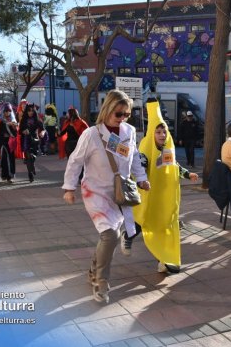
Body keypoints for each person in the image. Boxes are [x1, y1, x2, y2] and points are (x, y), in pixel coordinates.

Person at [62, 89, 150, 304]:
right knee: (110, 236)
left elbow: (135, 157)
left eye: (126, 114)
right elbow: (75, 161)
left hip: (119, 192)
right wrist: (69, 188)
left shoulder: (129, 131)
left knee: (112, 237)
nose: (122, 118)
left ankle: (94, 268)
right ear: (107, 110)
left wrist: (141, 178)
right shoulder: (91, 134)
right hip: (96, 193)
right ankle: (101, 282)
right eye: (118, 114)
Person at [124, 101, 199, 274]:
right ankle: (128, 235)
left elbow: (174, 165)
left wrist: (187, 174)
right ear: (152, 132)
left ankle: (167, 259)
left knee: (167, 225)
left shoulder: (168, 146)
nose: (162, 134)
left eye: (164, 130)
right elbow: (138, 167)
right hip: (151, 197)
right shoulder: (145, 147)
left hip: (167, 197)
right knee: (148, 223)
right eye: (158, 131)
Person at [19, 103, 45, 183]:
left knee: (33, 157)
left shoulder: (37, 120)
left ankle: (32, 166)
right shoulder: (23, 120)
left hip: (35, 140)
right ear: (26, 111)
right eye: (29, 111)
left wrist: (42, 133)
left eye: (32, 111)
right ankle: (30, 174)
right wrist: (24, 131)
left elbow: (43, 128)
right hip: (26, 141)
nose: (30, 112)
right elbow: (19, 131)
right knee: (28, 157)